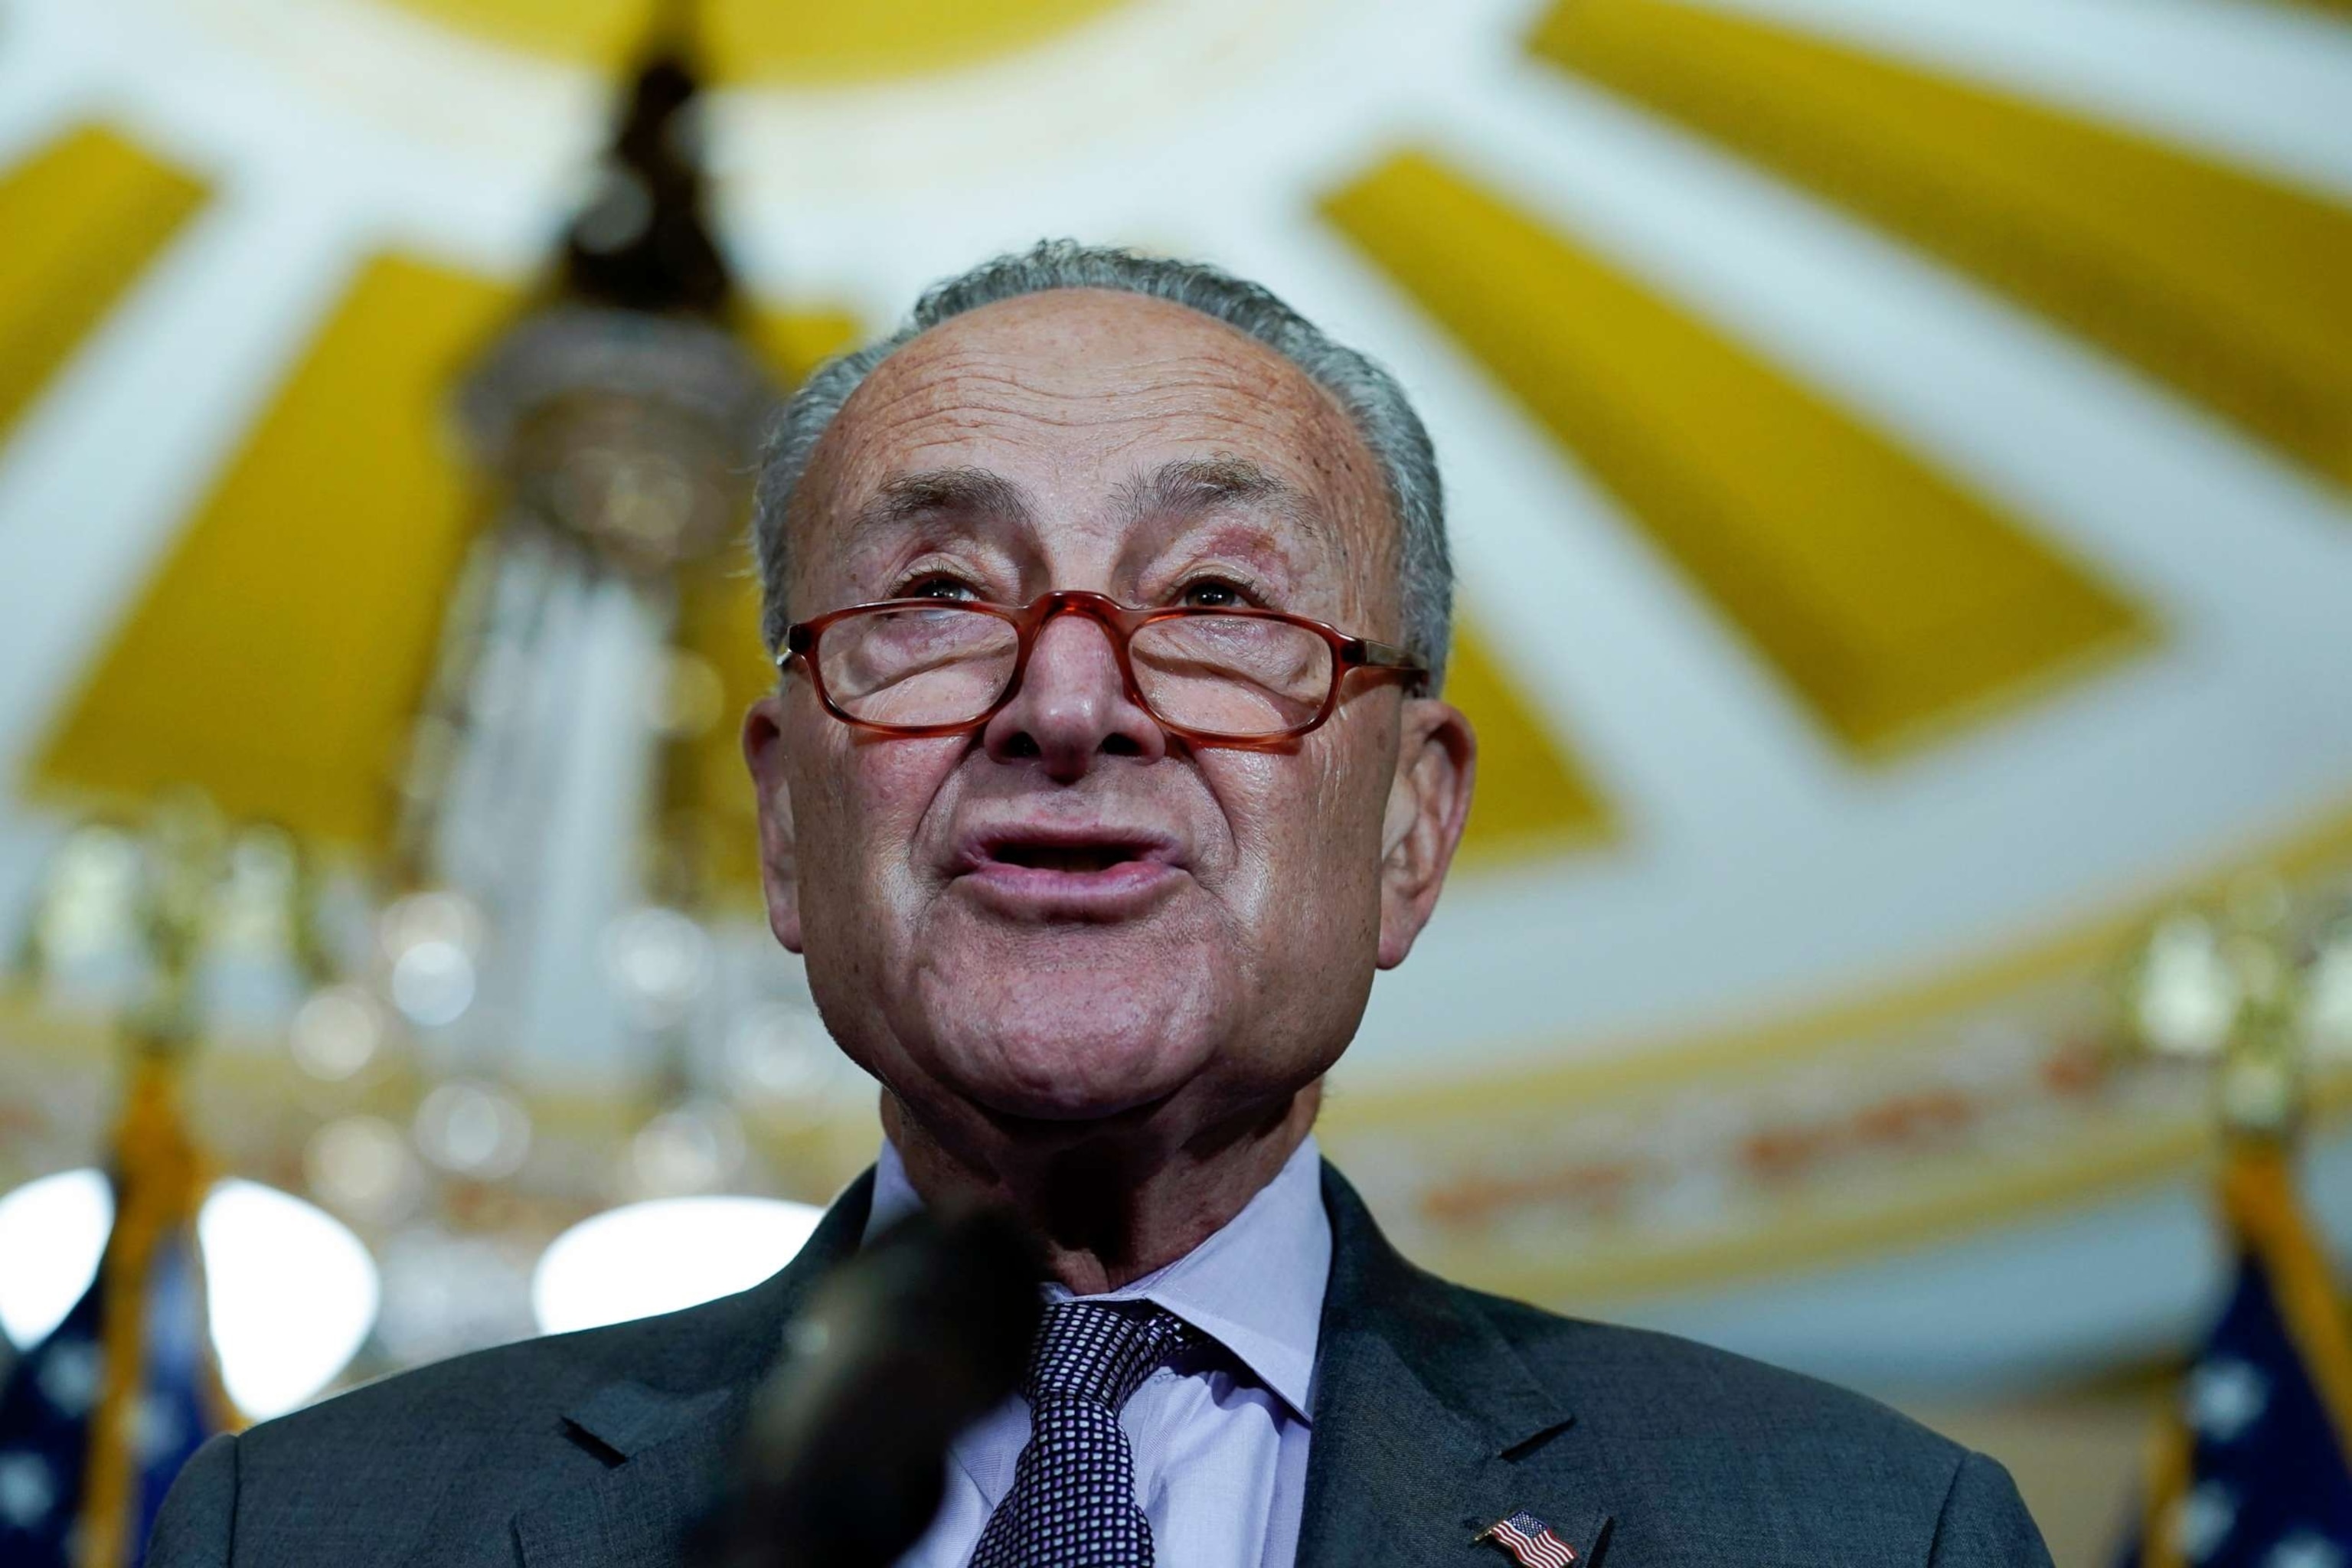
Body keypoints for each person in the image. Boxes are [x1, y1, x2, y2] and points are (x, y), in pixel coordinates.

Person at [151, 242, 2050, 1566]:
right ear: (788, 830)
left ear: (1410, 827)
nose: (1067, 700)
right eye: (943, 597)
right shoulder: (310, 1529)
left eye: (1219, 602)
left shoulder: (1869, 1531)